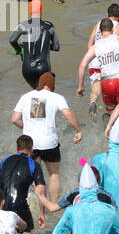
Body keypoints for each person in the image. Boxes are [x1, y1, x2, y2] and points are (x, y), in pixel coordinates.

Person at [11, 73, 82, 202]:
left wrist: (26, 127)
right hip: (49, 143)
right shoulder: (57, 97)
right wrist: (78, 130)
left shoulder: (26, 97)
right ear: (51, 85)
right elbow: (68, 114)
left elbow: (15, 119)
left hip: (30, 144)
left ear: (40, 84)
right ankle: (54, 205)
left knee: (36, 176)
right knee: (54, 174)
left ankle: (41, 205)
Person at [77, 19, 119, 114]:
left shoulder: (95, 47)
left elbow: (82, 65)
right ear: (113, 29)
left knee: (112, 112)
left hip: (107, 83)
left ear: (99, 31)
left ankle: (111, 123)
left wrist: (80, 86)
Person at [0, 135, 56, 233]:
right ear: (32, 149)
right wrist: (41, 213)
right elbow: (41, 190)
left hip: (3, 205)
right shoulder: (34, 165)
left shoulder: (4, 161)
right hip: (19, 206)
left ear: (17, 148)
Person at [8, 9, 60, 89]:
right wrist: (46, 45)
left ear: (30, 12)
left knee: (36, 92)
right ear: (41, 11)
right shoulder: (49, 26)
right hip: (43, 67)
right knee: (45, 95)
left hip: (27, 68)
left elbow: (12, 40)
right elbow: (56, 47)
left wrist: (19, 50)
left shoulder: (22, 25)